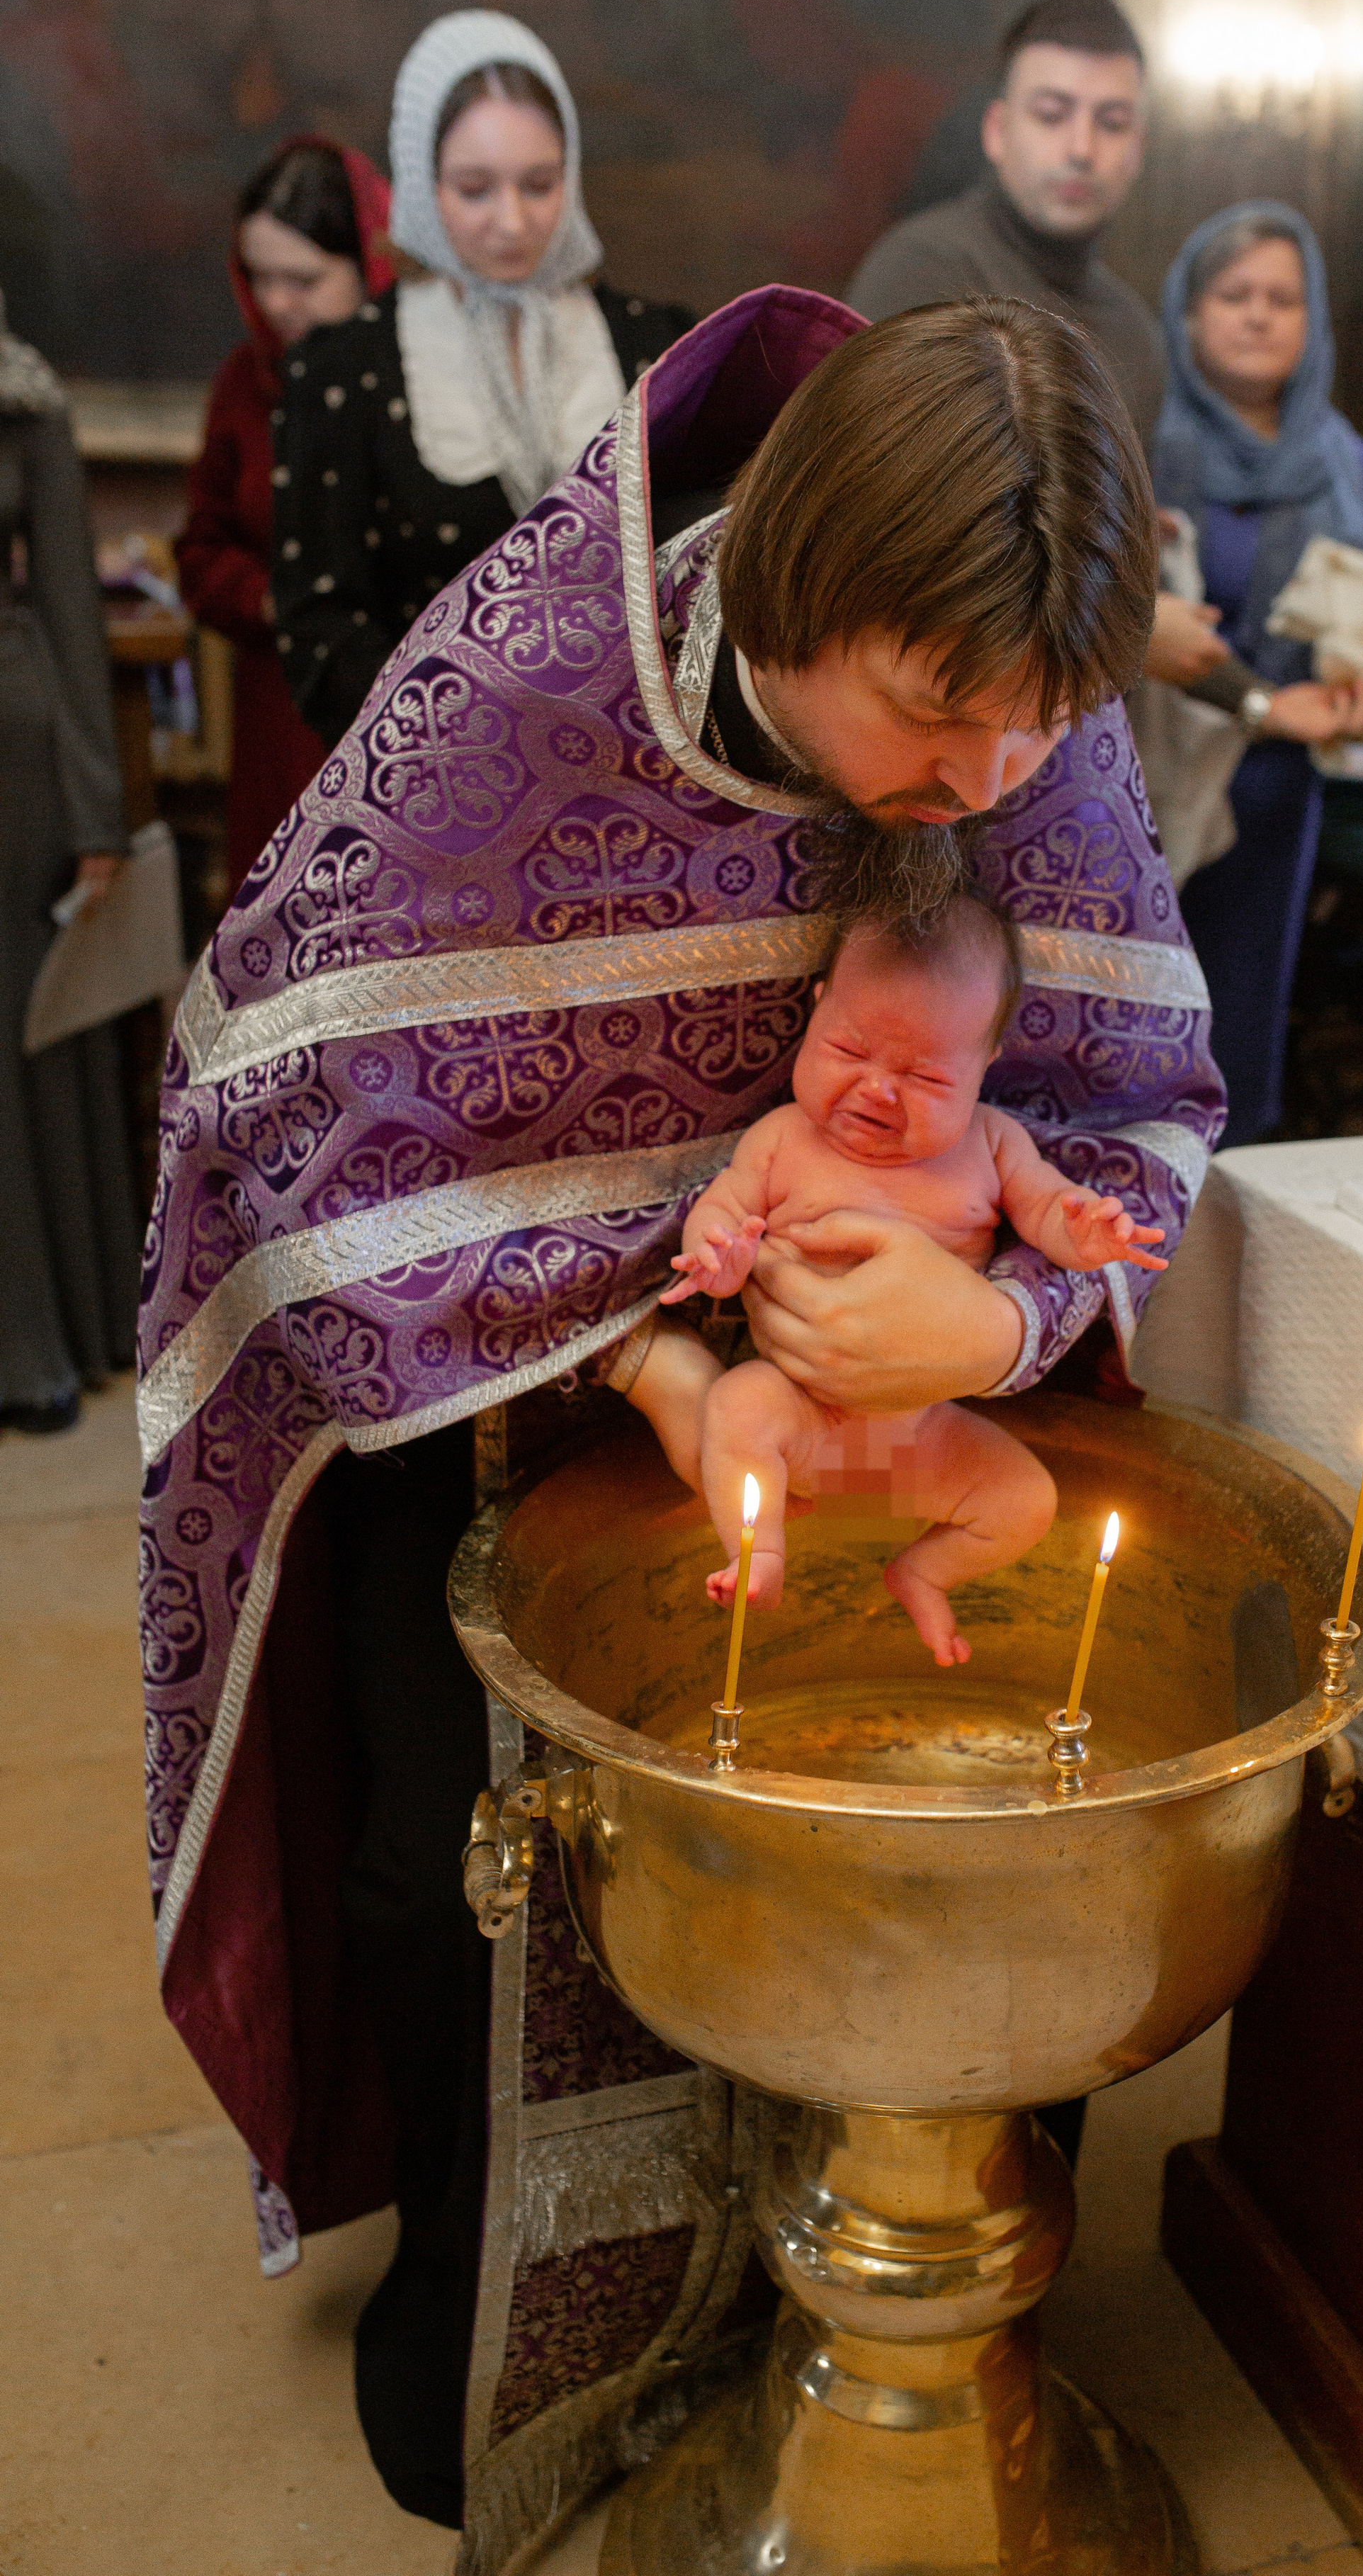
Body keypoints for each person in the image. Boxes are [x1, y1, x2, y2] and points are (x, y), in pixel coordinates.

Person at [140, 288, 1221, 2546]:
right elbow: (287, 1099)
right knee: (469, 1901)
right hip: (507, 1417)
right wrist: (664, 1357)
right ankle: (525, 2338)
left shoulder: (1022, 694)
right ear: (806, 578)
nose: (991, 787)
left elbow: (1131, 1094)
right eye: (937, 723)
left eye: (1045, 735)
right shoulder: (524, 674)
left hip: (888, 1423)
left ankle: (873, 2331)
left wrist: (988, 1321)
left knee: (920, 1862)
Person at [657, 896, 1167, 1661]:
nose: (877, 1090)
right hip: (800, 1410)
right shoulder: (781, 1140)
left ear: (984, 1064)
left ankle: (923, 1574)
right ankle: (758, 1552)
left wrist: (1091, 1232)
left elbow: (1048, 1213)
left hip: (922, 1433)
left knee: (1026, 1501)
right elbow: (722, 1214)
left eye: (925, 1077)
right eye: (849, 1051)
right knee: (736, 1406)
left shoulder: (994, 1144)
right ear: (817, 1006)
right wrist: (718, 1258)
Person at [271, 10, 691, 752]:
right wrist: (464, 750)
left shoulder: (653, 347)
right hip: (436, 789)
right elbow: (322, 627)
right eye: (474, 189)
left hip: (636, 775)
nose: (513, 221)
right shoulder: (347, 373)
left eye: (540, 184)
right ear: (422, 180)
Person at [1152, 203, 1363, 1145]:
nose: (1259, 316)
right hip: (1153, 776)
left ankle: (1237, 1237)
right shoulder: (1146, 439)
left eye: (1283, 299)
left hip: (1278, 786)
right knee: (1143, 1023)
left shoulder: (1340, 455)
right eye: (1234, 295)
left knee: (1243, 1027)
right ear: (1187, 313)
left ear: (1314, 322)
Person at [174, 137, 393, 892]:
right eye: (258, 276)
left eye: (302, 279)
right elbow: (202, 552)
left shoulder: (419, 378)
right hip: (280, 720)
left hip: (397, 713)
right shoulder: (246, 381)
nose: (274, 302)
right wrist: (273, 598)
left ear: (368, 266)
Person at [0, 294, 138, 1433]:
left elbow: (65, 603)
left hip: (13, 751)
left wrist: (97, 810)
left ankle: (38, 1343)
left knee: (24, 1037)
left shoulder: (22, 389)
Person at [847, 0, 1164, 445]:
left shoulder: (1137, 338)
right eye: (1052, 115)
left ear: (1138, 150)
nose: (1082, 149)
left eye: (1112, 124)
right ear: (997, 131)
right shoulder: (921, 274)